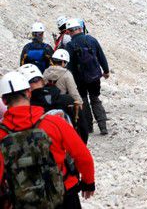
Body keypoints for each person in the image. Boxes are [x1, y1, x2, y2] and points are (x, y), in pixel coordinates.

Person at [0, 71, 95, 208]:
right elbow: (82, 155)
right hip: (63, 194)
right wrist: (88, 183)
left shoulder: (2, 133)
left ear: (4, 100)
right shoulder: (54, 122)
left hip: (21, 201)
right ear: (29, 93)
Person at [65, 19, 110, 135]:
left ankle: (88, 127)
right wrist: (106, 71)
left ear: (69, 32)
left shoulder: (69, 46)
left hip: (79, 80)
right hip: (94, 76)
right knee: (95, 99)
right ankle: (103, 126)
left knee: (83, 101)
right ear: (80, 28)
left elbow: (69, 66)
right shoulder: (91, 40)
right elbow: (101, 56)